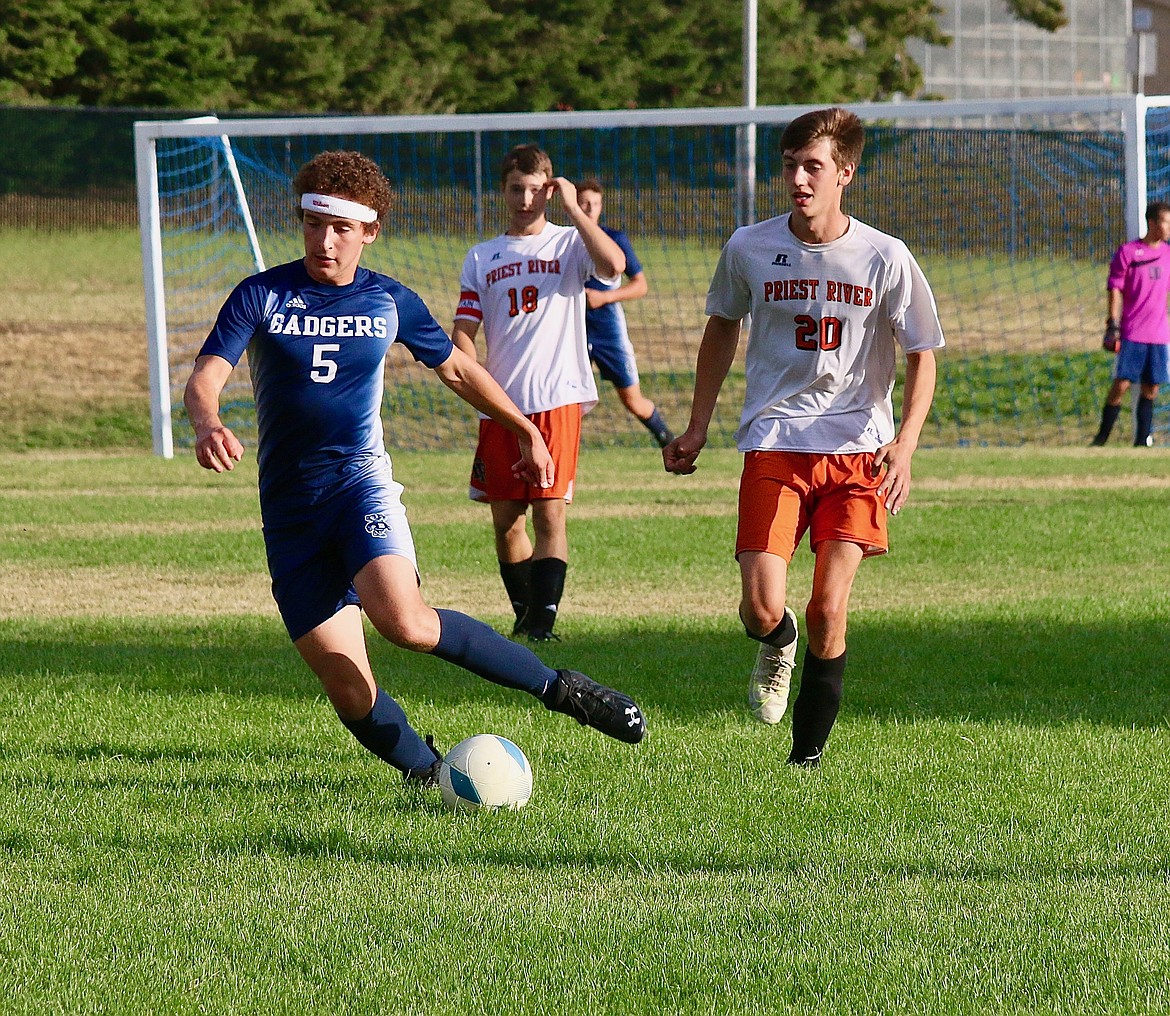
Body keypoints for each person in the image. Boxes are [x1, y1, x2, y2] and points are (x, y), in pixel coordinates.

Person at [183, 150, 645, 791]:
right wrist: (208, 422)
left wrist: (524, 428)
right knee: (346, 684)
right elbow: (205, 380)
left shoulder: (389, 299)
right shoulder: (261, 294)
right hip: (289, 510)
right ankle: (431, 778)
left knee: (405, 622)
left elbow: (458, 368)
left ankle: (561, 689)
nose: (325, 239)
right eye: (314, 223)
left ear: (369, 232)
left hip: (358, 484)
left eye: (342, 227)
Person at [663, 107, 944, 768]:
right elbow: (722, 327)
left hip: (857, 453)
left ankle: (805, 758)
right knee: (763, 607)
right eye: (790, 164)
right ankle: (775, 643)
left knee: (828, 607)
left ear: (845, 173)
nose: (798, 178)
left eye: (813, 166)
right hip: (775, 440)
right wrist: (699, 423)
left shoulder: (885, 256)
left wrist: (905, 445)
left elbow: (923, 352)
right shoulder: (748, 247)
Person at [452, 145, 627, 642]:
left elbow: (613, 265)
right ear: (503, 191)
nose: (525, 199)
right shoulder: (482, 256)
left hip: (557, 395)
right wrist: (468, 371)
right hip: (502, 403)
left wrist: (574, 208)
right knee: (507, 519)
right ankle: (525, 616)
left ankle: (543, 625)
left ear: (549, 188)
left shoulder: (569, 243)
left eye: (535, 189)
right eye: (516, 189)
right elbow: (464, 327)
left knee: (550, 509)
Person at [576, 178, 675, 448]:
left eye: (594, 203)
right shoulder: (563, 240)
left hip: (608, 330)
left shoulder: (614, 239)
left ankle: (668, 441)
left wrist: (605, 297)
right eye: (583, 203)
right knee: (567, 401)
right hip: (571, 332)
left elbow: (640, 285)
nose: (589, 209)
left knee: (632, 400)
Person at [1091, 201, 1170, 447]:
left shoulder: (1168, 254)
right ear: (1153, 223)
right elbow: (1114, 288)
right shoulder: (1128, 252)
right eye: (1166, 222)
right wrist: (1112, 323)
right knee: (1122, 384)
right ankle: (1101, 439)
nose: (1169, 227)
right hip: (1133, 331)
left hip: (1158, 334)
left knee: (1152, 388)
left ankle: (1141, 442)